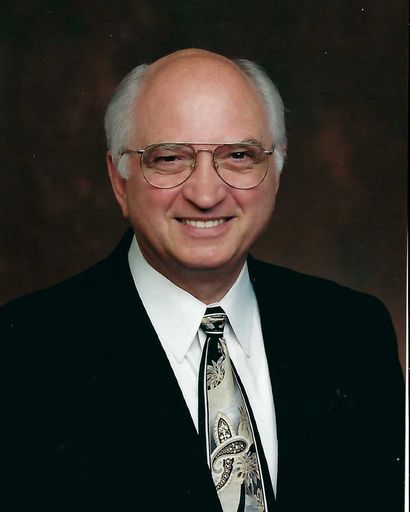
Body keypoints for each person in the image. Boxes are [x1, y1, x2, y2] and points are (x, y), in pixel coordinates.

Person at [0, 49, 404, 512]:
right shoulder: (21, 353)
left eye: (238, 155)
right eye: (170, 158)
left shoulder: (354, 329)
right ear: (119, 180)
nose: (207, 194)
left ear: (275, 172)